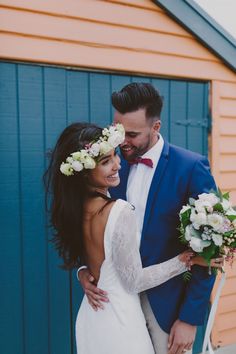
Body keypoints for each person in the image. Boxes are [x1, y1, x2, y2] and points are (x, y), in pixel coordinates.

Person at [44, 122, 222, 354]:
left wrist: (83, 271)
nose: (118, 164)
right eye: (106, 162)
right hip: (122, 321)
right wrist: (187, 259)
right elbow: (134, 281)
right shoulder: (119, 211)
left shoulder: (75, 208)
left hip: (93, 318)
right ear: (85, 171)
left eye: (115, 156)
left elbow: (97, 255)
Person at [78, 83, 219, 354]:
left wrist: (190, 318)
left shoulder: (190, 167)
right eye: (118, 131)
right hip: (116, 305)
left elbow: (210, 247)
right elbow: (90, 221)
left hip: (166, 309)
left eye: (132, 134)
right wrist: (84, 271)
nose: (122, 141)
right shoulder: (107, 166)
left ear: (156, 128)